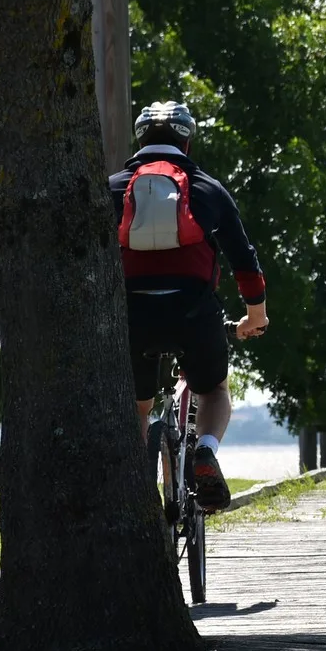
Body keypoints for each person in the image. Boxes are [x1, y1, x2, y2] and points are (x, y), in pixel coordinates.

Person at [109, 101, 269, 513]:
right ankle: (206, 452)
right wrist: (256, 316)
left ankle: (137, 489)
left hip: (133, 313)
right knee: (212, 389)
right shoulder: (207, 189)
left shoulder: (111, 188)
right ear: (188, 141)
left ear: (140, 139)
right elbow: (243, 260)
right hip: (193, 312)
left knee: (137, 406)